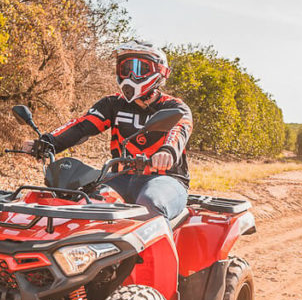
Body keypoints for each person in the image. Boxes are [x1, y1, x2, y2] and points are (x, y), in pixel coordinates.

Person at [22, 41, 193, 220]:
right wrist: (47, 143)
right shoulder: (113, 103)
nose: (130, 75)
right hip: (121, 177)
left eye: (139, 68)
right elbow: (82, 126)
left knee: (150, 203)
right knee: (86, 202)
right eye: (125, 69)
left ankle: (159, 248)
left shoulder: (175, 107)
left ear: (159, 72)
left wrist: (167, 151)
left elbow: (179, 131)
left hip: (167, 180)